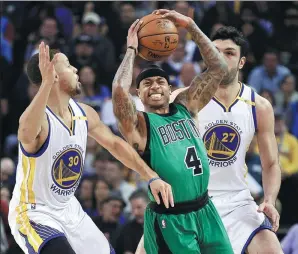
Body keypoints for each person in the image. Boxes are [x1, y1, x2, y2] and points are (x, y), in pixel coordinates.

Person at [8, 42, 173, 254]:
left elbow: (115, 144)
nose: (75, 69)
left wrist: (151, 176)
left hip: (69, 208)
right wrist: (46, 84)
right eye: (68, 66)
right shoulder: (41, 122)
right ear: (53, 75)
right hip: (34, 212)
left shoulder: (83, 113)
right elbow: (25, 133)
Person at [112, 10, 233, 254]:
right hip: (172, 219)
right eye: (146, 83)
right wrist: (131, 50)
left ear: (170, 89)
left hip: (206, 210)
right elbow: (118, 92)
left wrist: (190, 26)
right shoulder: (140, 124)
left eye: (160, 82)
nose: (154, 86)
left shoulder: (187, 107)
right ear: (139, 94)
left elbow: (219, 68)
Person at [166, 26, 284, 253]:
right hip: (190, 200)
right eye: (215, 51)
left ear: (242, 62)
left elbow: (270, 164)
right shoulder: (181, 100)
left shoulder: (258, 106)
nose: (220, 57)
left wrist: (269, 199)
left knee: (271, 247)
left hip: (237, 202)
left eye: (229, 53)